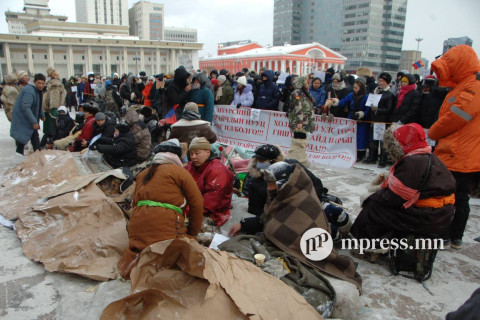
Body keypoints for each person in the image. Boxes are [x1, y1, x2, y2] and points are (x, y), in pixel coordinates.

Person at [351, 123, 456, 248]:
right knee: (378, 203)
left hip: (429, 216)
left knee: (374, 206)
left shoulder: (414, 162)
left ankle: (369, 246)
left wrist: (373, 196)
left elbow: (394, 198)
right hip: (441, 213)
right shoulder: (427, 156)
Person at [116, 139, 204, 279]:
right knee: (176, 250)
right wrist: (193, 233)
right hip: (166, 228)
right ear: (177, 157)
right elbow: (197, 203)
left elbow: (134, 204)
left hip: (137, 226)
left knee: (140, 247)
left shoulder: (143, 174)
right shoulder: (179, 172)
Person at [428, 45, 480, 249]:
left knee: (455, 197)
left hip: (459, 153)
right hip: (454, 150)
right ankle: (449, 234)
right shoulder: (464, 85)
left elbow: (456, 116)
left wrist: (433, 132)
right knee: (451, 195)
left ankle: (452, 234)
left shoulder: (473, 87)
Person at [185, 137, 233, 226]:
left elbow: (211, 201)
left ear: (208, 152)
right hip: (191, 205)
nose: (193, 157)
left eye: (197, 153)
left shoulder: (216, 169)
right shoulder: (192, 166)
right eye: (191, 154)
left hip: (211, 211)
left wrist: (185, 211)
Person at [327, 77, 370, 161]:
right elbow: (342, 102)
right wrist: (334, 101)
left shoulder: (366, 97)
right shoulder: (351, 95)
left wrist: (361, 114)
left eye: (356, 88)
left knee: (361, 137)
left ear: (361, 88)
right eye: (354, 87)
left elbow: (368, 110)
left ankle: (361, 154)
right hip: (351, 117)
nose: (354, 89)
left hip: (361, 120)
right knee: (350, 136)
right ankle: (350, 152)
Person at [10, 73, 46, 155]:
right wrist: (34, 121)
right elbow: (26, 108)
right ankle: (20, 159)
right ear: (34, 82)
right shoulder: (29, 91)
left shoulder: (37, 90)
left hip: (29, 118)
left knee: (33, 139)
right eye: (39, 83)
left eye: (42, 83)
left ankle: (37, 156)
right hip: (24, 119)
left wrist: (42, 115)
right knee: (22, 140)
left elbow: (38, 104)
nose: (41, 85)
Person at [364, 72, 395, 167]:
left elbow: (389, 109)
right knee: (373, 140)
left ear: (387, 83)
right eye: (380, 81)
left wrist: (378, 110)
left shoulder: (389, 94)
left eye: (383, 81)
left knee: (382, 142)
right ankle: (372, 157)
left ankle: (382, 160)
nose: (380, 83)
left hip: (383, 120)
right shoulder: (375, 91)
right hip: (374, 119)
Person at [287, 76, 316, 166]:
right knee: (299, 141)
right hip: (301, 121)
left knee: (301, 140)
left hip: (304, 120)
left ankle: (299, 159)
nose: (307, 83)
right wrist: (299, 122)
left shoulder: (303, 92)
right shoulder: (297, 93)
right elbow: (298, 107)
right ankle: (298, 159)